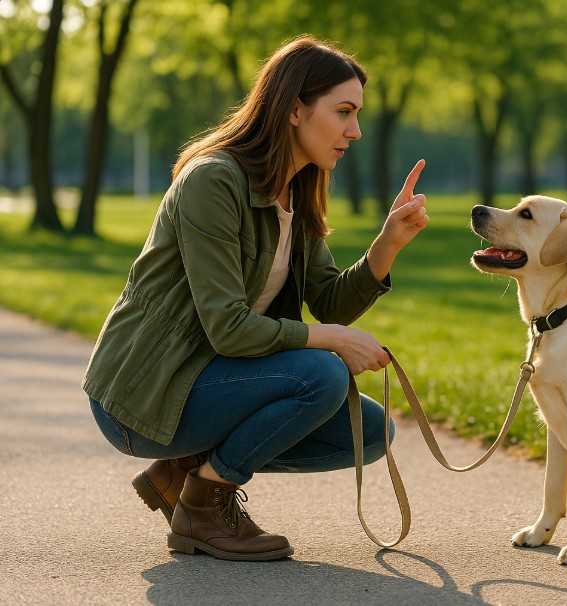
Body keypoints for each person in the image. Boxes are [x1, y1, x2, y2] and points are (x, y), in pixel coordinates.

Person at [82, 35, 429, 562]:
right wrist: (331, 342)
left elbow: (329, 301)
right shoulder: (213, 181)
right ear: (294, 109)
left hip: (210, 377)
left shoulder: (299, 186)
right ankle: (202, 505)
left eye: (356, 114)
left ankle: (185, 471)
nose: (354, 131)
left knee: (369, 433)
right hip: (143, 396)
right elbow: (229, 327)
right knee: (323, 375)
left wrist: (388, 244)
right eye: (343, 112)